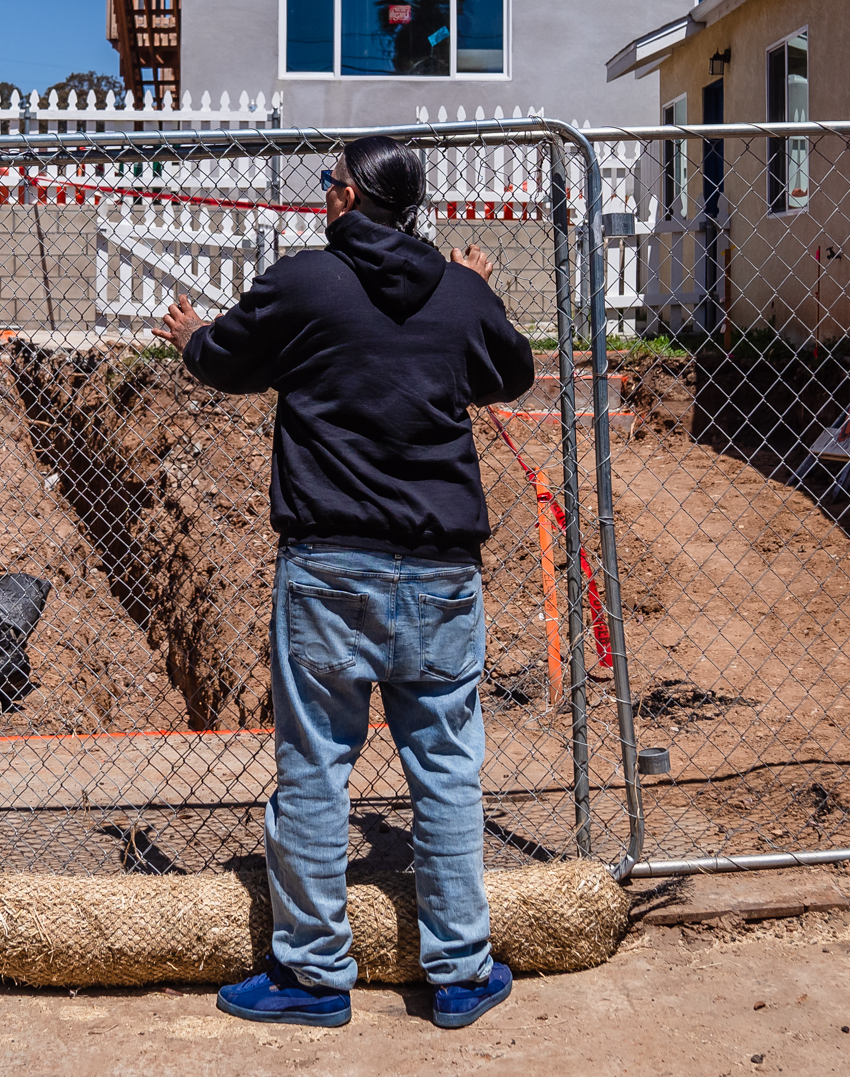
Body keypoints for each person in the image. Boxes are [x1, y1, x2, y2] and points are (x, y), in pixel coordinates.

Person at [156, 135, 535, 1031]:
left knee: (316, 769)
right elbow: (508, 371)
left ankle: (314, 975)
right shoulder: (458, 288)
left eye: (329, 182)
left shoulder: (305, 281)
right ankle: (460, 970)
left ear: (349, 196)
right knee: (445, 767)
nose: (323, 195)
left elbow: (225, 362)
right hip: (441, 572)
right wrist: (480, 290)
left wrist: (190, 337)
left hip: (330, 568)